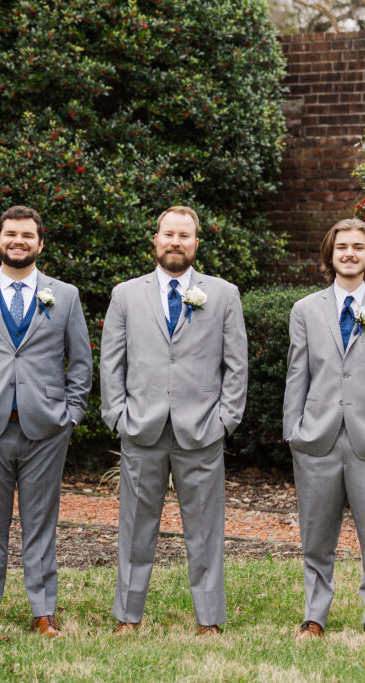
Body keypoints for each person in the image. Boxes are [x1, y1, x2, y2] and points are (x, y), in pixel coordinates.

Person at [0, 205, 92, 637]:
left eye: (27, 235)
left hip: (46, 429)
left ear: (40, 243)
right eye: (11, 234)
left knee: (41, 523)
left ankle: (43, 612)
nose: (18, 241)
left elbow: (80, 362)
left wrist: (72, 417)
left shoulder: (65, 295)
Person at [99, 205, 247, 636]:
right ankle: (128, 617)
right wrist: (117, 416)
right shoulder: (126, 294)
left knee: (205, 530)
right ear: (156, 240)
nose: (175, 242)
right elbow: (112, 363)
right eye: (169, 235)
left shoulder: (222, 294)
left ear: (196, 243)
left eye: (184, 236)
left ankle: (209, 619)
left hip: (201, 430)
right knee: (135, 529)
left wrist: (225, 421)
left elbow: (236, 366)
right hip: (141, 428)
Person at [283, 218, 365, 644]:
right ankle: (314, 617)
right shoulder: (305, 309)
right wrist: (293, 431)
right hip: (316, 440)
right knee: (316, 538)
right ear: (331, 254)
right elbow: (296, 375)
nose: (350, 253)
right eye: (342, 247)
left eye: (358, 247)